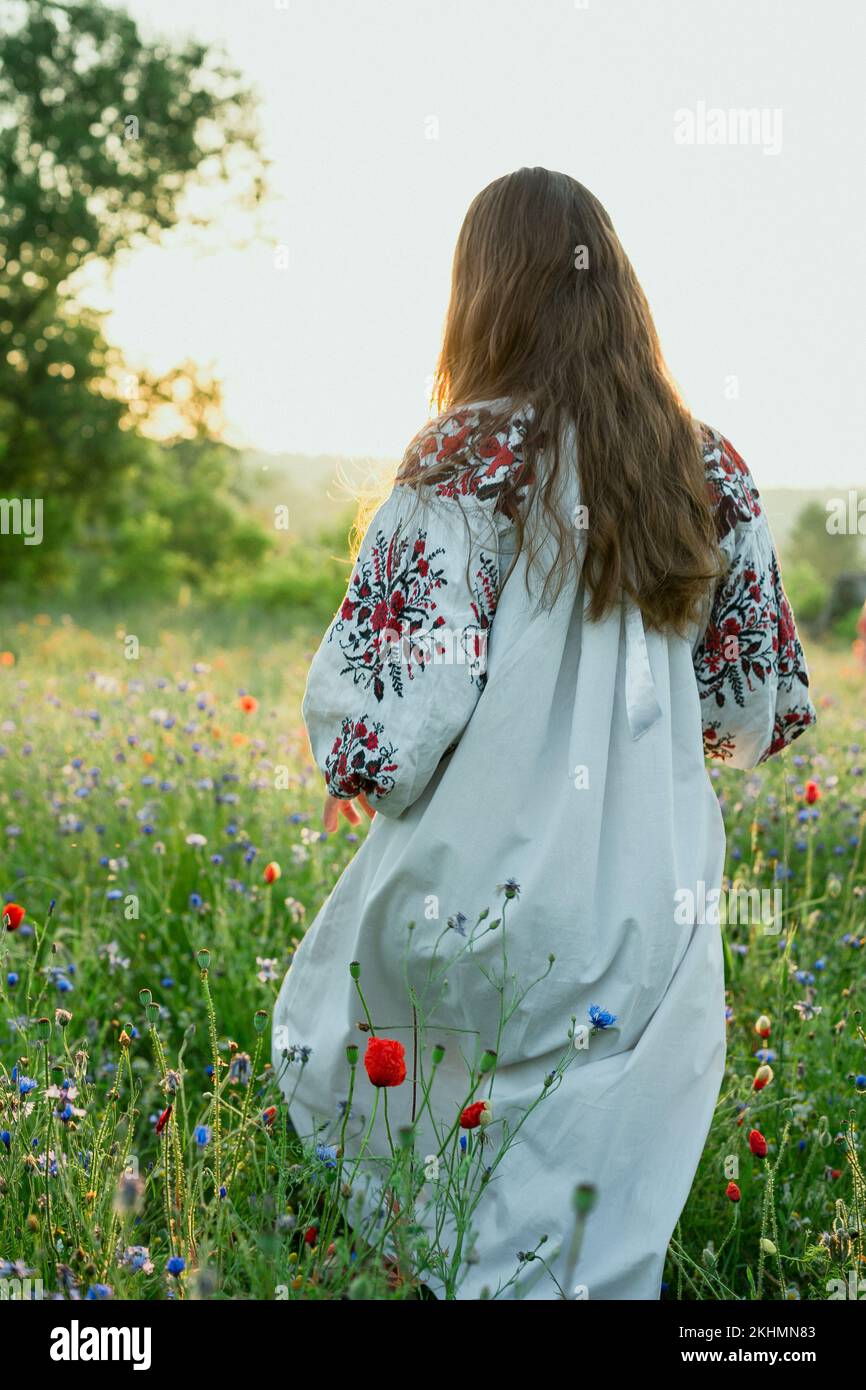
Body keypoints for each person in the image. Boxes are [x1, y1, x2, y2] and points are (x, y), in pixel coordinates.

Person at [272, 168, 816, 1300]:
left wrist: (367, 759)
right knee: (589, 1207)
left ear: (482, 293)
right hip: (645, 900)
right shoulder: (710, 468)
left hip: (474, 884)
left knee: (411, 1112)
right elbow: (743, 705)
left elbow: (389, 728)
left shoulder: (457, 456)